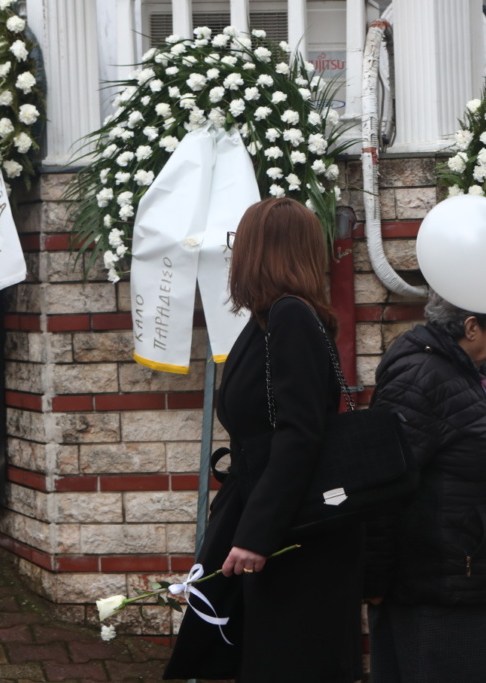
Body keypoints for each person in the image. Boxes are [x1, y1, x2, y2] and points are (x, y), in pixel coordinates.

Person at [164, 198, 363, 682]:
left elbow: (299, 434)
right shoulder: (271, 318)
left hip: (290, 533)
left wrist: (256, 535)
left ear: (262, 250)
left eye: (240, 243)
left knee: (285, 661)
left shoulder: (290, 317)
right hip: (269, 516)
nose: (234, 255)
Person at [363, 293, 486, 683]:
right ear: (471, 327)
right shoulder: (421, 378)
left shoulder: (459, 371)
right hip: (434, 596)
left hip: (466, 584)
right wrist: (375, 581)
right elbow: (382, 487)